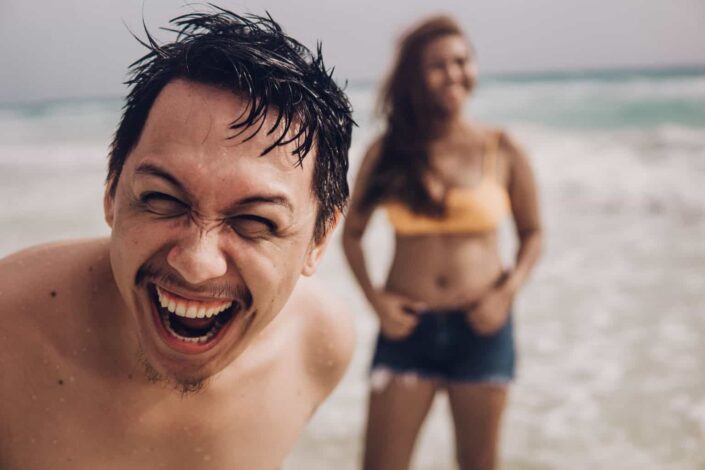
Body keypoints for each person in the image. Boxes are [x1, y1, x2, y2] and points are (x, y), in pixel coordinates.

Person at [0, 8, 355, 469]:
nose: (196, 262)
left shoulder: (318, 346)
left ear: (319, 240)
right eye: (163, 199)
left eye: (256, 222)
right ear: (112, 190)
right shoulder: (10, 334)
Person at [343, 15, 542, 470]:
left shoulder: (502, 147)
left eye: (462, 60)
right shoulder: (388, 152)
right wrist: (376, 302)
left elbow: (533, 234)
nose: (455, 73)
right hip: (407, 331)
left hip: (484, 330)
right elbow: (351, 234)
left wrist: (506, 295)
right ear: (414, 76)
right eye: (438, 65)